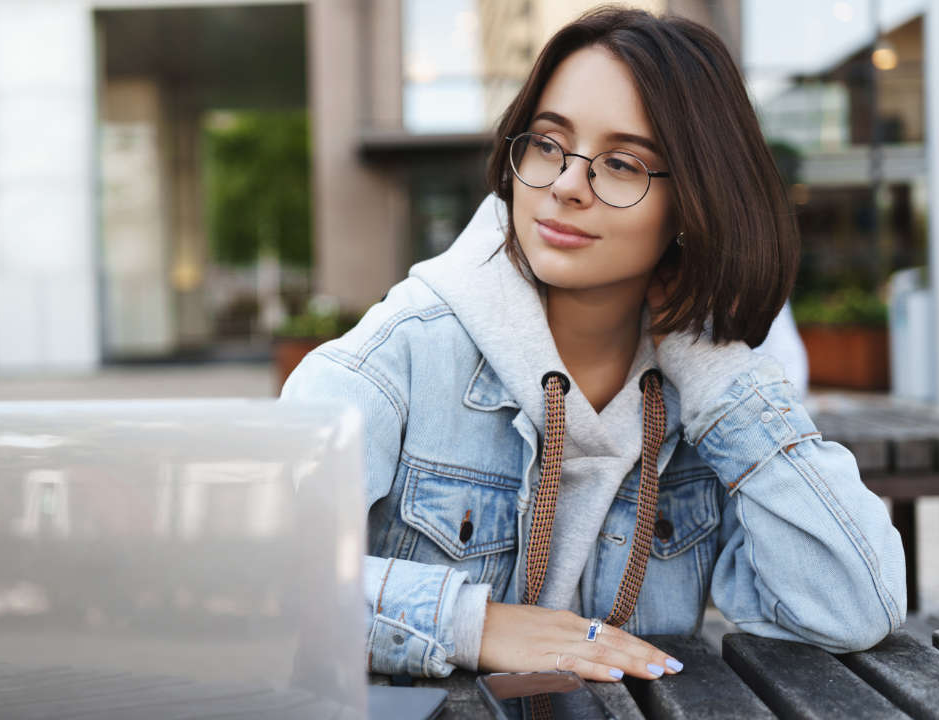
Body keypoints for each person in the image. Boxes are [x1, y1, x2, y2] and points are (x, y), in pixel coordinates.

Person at [279, 6, 906, 683]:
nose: (568, 185)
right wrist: (472, 624)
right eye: (548, 144)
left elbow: (855, 606)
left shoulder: (710, 393)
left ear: (695, 201)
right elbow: (256, 581)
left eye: (622, 163)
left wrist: (710, 371)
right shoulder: (401, 353)